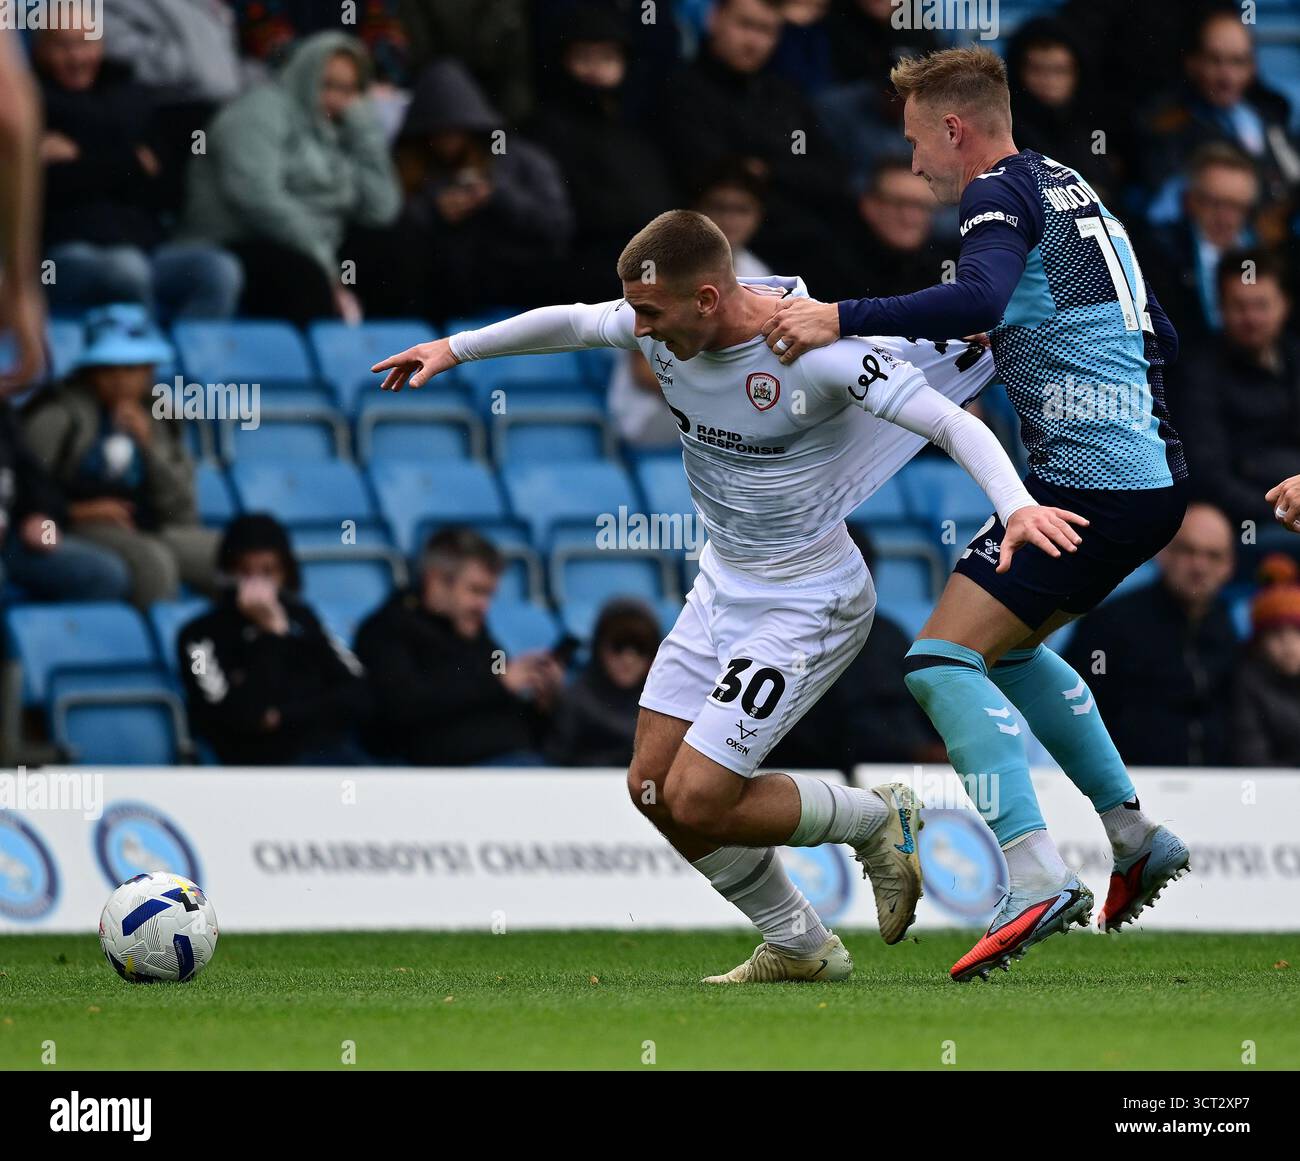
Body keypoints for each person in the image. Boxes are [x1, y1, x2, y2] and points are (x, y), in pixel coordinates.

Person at [372, 208, 1081, 984]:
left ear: (708, 298)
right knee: (652, 786)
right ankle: (802, 943)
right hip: (723, 584)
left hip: (809, 599)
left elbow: (950, 424)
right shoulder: (655, 321)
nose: (637, 330)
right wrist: (453, 349)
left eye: (650, 312)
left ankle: (878, 818)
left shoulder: (814, 350)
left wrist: (1015, 505)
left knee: (701, 796)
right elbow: (572, 321)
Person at [761, 46, 1192, 980]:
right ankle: (1132, 832)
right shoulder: (1069, 183)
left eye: (917, 142)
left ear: (955, 130)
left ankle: (1034, 873)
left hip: (1095, 484)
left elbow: (982, 294)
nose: (914, 165)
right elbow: (1153, 322)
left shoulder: (995, 192)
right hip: (1144, 471)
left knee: (938, 659)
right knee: (1015, 647)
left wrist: (842, 316)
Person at [181, 31, 400, 326]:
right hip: (234, 241)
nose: (337, 100)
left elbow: (381, 211)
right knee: (302, 276)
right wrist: (326, 265)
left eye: (349, 91)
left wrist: (365, 131)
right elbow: (258, 199)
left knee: (396, 249)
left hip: (312, 248)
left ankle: (399, 359)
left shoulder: (341, 127)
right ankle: (317, 368)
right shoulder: (259, 111)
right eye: (328, 85)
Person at [33, 25, 242, 321]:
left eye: (85, 44)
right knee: (126, 270)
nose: (76, 56)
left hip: (143, 246)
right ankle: (136, 363)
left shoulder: (131, 95)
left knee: (218, 270)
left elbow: (159, 184)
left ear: (101, 46)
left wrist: (81, 156)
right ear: (40, 49)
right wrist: (128, 161)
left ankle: (186, 366)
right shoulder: (28, 99)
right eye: (63, 46)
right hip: (61, 255)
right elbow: (51, 185)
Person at [21, 304, 219, 607]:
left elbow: (181, 508)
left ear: (149, 370)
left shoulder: (161, 414)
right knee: (153, 564)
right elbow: (25, 491)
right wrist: (77, 511)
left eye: (131, 368)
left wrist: (149, 446)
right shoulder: (56, 414)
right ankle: (152, 651)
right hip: (75, 527)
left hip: (148, 525)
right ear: (90, 371)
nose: (120, 379)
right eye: (108, 368)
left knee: (235, 555)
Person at [354, 527, 564, 766]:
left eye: (489, 595)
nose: (483, 606)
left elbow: (506, 709)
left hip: (509, 762)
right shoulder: (387, 630)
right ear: (435, 580)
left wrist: (543, 703)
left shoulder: (476, 632)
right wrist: (499, 684)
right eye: (475, 591)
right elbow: (405, 707)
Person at [179, 514, 370, 765]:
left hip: (327, 755)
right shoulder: (199, 637)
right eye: (245, 572)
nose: (258, 583)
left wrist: (282, 715)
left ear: (286, 572)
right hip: (254, 768)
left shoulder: (304, 620)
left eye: (268, 571)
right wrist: (270, 635)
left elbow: (360, 693)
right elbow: (237, 718)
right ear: (227, 573)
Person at [1063, 504, 1238, 768]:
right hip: (1129, 787)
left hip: (1216, 788)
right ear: (1163, 552)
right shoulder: (1111, 623)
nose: (1199, 566)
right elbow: (1073, 710)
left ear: (1229, 566)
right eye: (1188, 551)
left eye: (1213, 556)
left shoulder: (1225, 627)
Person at [1178, 250, 1300, 541]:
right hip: (1251, 524)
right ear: (1220, 308)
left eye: (1261, 305)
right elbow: (1209, 476)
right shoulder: (1200, 371)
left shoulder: (1295, 356)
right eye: (1239, 306)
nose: (1251, 318)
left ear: (1285, 305)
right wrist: (1284, 511)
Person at [0, 393, 130, 601]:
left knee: (106, 574)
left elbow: (34, 478)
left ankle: (41, 632)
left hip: (13, 541)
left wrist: (40, 515)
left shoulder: (3, 412)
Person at [1145, 144, 1260, 335]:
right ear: (1189, 201)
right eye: (1214, 204)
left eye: (1237, 206)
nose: (1226, 218)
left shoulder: (1261, 255)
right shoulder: (1159, 254)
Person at [545, 598, 661, 767]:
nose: (628, 659)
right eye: (618, 646)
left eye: (640, 647)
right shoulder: (575, 702)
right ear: (599, 647)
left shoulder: (665, 707)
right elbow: (555, 764)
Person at [1232, 553, 1300, 766]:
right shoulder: (1248, 685)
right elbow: (1253, 759)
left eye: (1296, 633)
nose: (1288, 644)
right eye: (1276, 634)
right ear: (1260, 643)